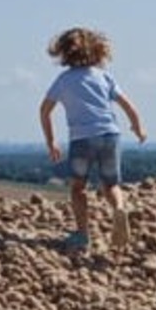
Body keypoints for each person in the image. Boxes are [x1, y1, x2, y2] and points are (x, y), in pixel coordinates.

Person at [38, 27, 147, 253]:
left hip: (82, 139)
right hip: (110, 135)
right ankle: (118, 208)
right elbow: (127, 105)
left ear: (64, 53)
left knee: (78, 188)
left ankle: (82, 234)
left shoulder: (64, 80)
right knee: (111, 184)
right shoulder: (103, 76)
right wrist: (138, 128)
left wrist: (51, 141)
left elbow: (45, 111)